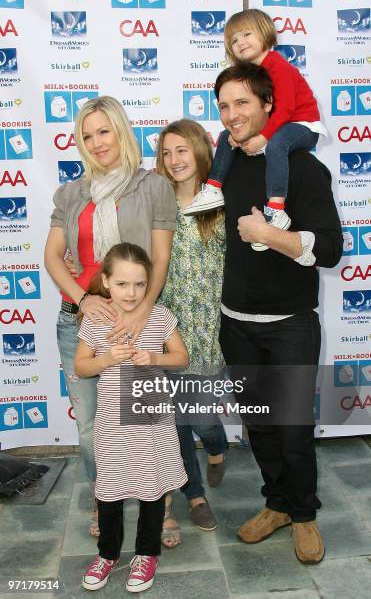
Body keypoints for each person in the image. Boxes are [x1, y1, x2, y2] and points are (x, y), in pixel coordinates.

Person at [215, 63, 343, 564]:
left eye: (242, 103)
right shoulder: (222, 168)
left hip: (291, 324)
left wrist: (271, 235)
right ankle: (278, 504)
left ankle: (305, 515)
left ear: (269, 104)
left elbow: (331, 249)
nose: (231, 115)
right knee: (260, 425)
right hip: (235, 323)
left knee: (291, 428)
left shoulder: (303, 167)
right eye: (224, 106)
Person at [44, 96, 176, 537]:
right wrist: (83, 299)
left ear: (121, 130)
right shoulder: (70, 192)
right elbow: (52, 256)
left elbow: (160, 258)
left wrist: (141, 315)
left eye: (104, 131)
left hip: (137, 319)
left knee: (146, 420)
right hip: (78, 321)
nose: (97, 142)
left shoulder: (153, 186)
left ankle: (160, 507)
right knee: (90, 427)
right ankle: (107, 501)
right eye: (87, 135)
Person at [74, 242, 188, 592]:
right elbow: (81, 366)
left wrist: (154, 358)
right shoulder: (95, 320)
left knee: (152, 489)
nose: (132, 292)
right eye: (123, 284)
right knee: (109, 491)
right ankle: (107, 554)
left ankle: (146, 553)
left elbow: (181, 358)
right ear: (106, 282)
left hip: (152, 421)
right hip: (112, 422)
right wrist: (108, 359)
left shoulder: (160, 316)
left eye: (140, 284)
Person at [184, 9, 327, 253]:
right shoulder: (253, 74)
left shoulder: (278, 66)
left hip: (303, 124)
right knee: (226, 137)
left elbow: (284, 110)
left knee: (276, 145)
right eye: (234, 41)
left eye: (246, 34)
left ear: (265, 34)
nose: (241, 43)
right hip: (281, 125)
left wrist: (262, 137)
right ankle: (214, 188)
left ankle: (276, 211)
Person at [156, 119, 228, 547]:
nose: (173, 160)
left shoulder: (220, 200)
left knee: (201, 416)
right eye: (166, 153)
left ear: (201, 151)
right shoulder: (156, 203)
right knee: (175, 421)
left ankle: (218, 446)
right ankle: (195, 494)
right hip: (167, 328)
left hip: (211, 328)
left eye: (181, 150)